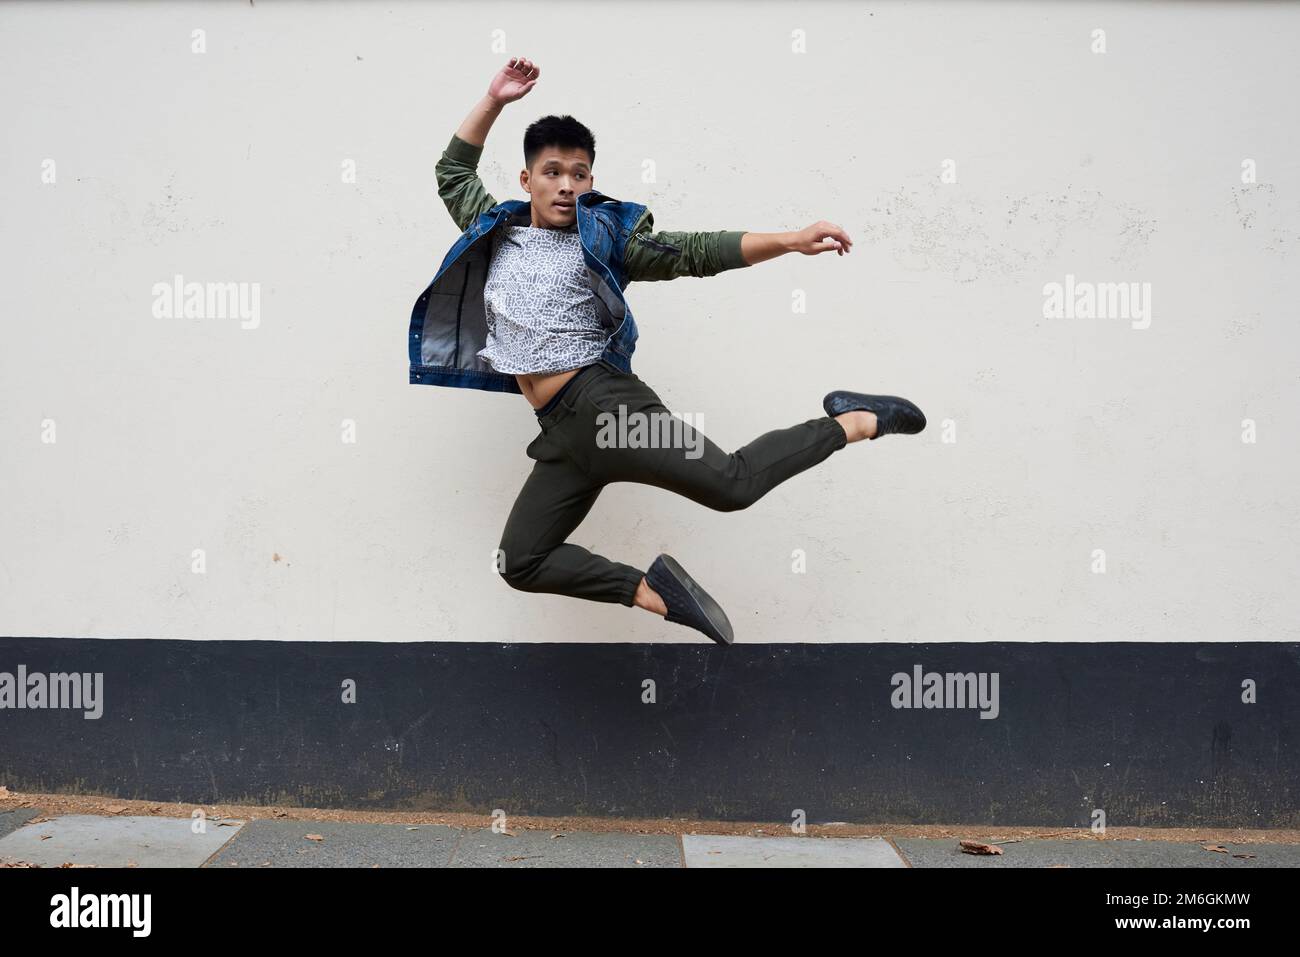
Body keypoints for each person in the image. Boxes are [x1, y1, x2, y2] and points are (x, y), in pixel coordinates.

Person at [411, 57, 926, 644]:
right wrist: (495, 100)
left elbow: (693, 251)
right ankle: (652, 593)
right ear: (527, 180)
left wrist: (788, 240)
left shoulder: (605, 239)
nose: (566, 184)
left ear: (590, 182)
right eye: (552, 171)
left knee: (731, 485)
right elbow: (453, 170)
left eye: (579, 174)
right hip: (560, 433)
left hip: (609, 413)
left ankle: (856, 420)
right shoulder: (495, 230)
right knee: (522, 561)